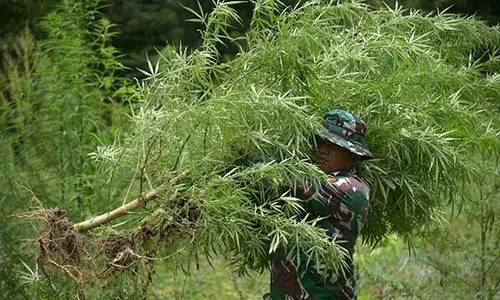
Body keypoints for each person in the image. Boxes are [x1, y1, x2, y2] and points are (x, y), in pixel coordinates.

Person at [266, 109, 374, 300]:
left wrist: (249, 155)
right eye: (319, 142)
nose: (322, 149)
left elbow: (281, 178)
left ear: (353, 156)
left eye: (333, 145)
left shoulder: (352, 190)